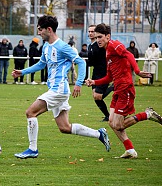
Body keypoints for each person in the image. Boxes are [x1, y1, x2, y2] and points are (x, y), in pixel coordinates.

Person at [12, 15, 110, 159]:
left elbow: (81, 62)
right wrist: (23, 72)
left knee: (30, 113)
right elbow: (41, 64)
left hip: (59, 90)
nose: (38, 32)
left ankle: (32, 149)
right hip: (56, 90)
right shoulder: (46, 46)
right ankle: (99, 134)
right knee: (64, 128)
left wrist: (78, 83)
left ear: (49, 29)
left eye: (40, 29)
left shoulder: (62, 46)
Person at [86, 23, 162, 159]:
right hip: (117, 89)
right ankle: (130, 150)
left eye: (100, 37)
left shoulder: (115, 45)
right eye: (96, 37)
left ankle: (147, 114)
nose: (97, 40)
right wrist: (94, 82)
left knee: (118, 124)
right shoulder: (108, 52)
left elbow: (129, 55)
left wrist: (137, 71)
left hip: (126, 88)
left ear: (108, 36)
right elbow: (109, 76)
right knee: (111, 122)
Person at [87, 24, 113, 122]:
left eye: (92, 31)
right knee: (95, 96)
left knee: (98, 96)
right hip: (96, 73)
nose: (90, 33)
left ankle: (112, 87)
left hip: (104, 73)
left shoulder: (101, 46)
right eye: (89, 31)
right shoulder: (91, 46)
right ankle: (107, 116)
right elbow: (92, 61)